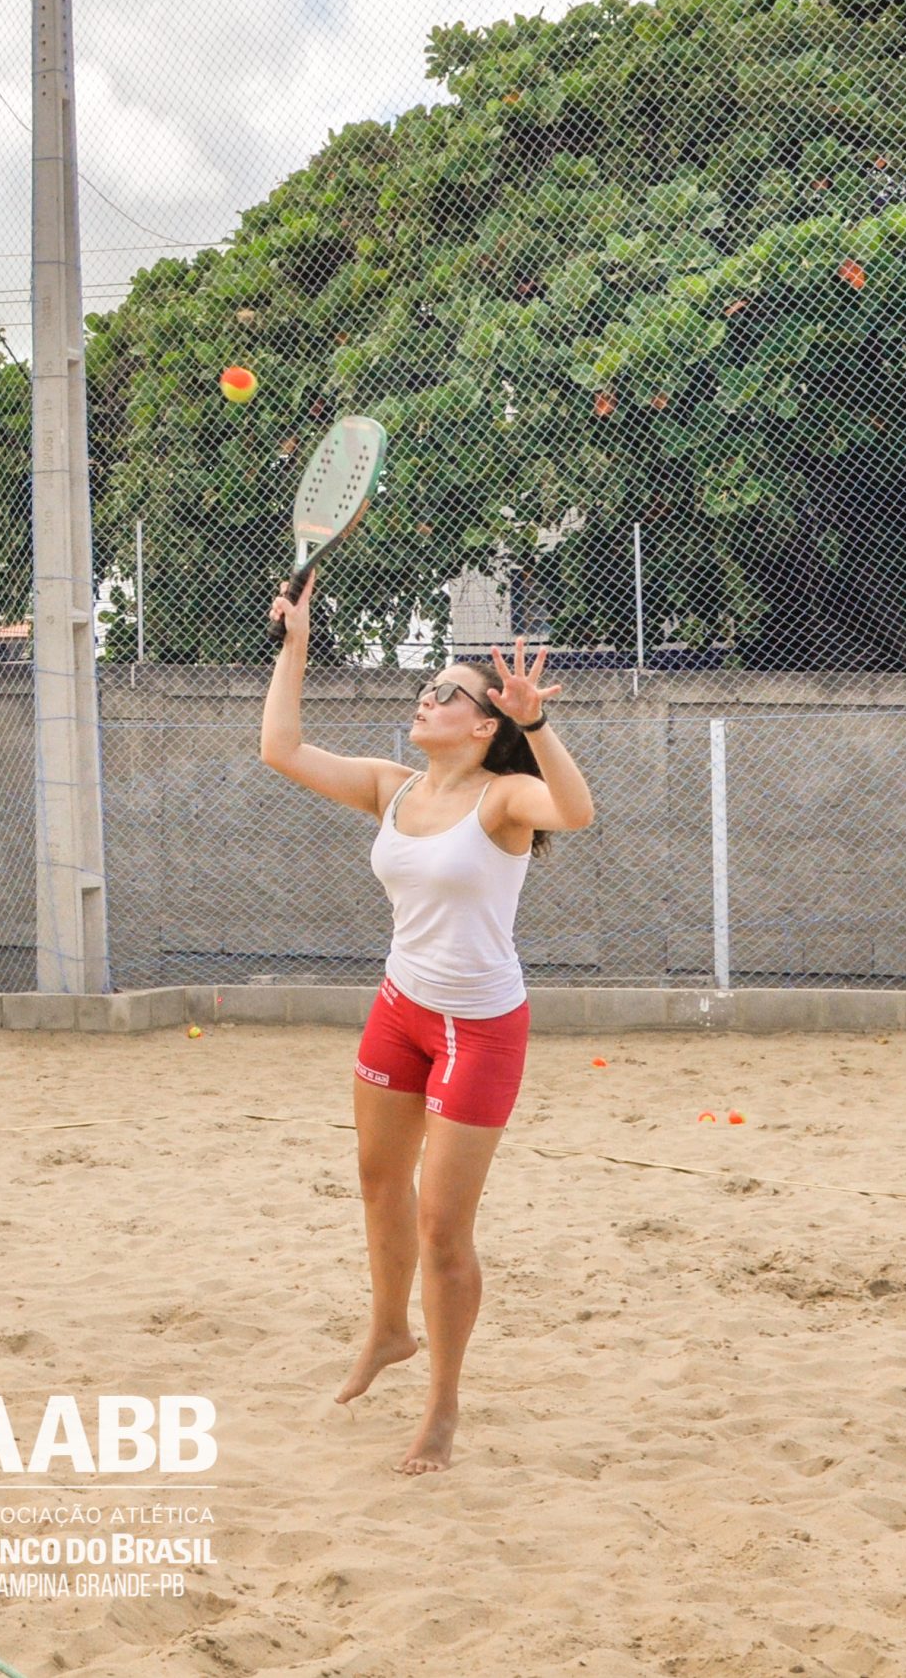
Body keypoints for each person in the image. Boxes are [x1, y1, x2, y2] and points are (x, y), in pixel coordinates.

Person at [259, 579, 595, 1472]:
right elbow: (280, 746)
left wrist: (541, 724)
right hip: (399, 1009)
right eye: (429, 684)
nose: (429, 695)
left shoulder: (505, 799)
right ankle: (386, 1332)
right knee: (377, 1182)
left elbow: (578, 812)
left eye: (449, 691)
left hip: (480, 1029)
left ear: (486, 724)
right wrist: (294, 641)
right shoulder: (393, 786)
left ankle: (442, 1407)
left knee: (444, 1227)